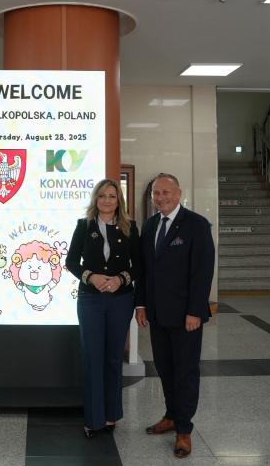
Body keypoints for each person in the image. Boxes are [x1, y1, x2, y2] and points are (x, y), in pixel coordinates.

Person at [134, 173, 215, 459]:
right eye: (156, 193)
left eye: (166, 192)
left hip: (185, 317)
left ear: (179, 193)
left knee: (185, 372)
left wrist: (195, 311)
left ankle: (184, 429)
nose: (161, 198)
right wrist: (141, 305)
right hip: (157, 314)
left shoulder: (197, 225)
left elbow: (202, 272)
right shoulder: (150, 225)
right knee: (165, 368)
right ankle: (170, 415)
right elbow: (144, 270)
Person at [65, 179, 140, 438]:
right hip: (91, 300)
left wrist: (121, 279)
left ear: (119, 200)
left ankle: (111, 415)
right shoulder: (84, 226)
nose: (107, 200)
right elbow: (71, 261)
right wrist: (90, 277)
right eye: (102, 196)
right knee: (92, 358)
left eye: (112, 196)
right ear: (95, 199)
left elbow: (139, 264)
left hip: (121, 300)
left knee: (113, 358)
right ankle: (93, 419)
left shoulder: (130, 227)